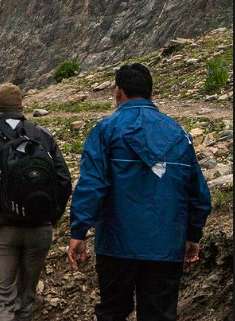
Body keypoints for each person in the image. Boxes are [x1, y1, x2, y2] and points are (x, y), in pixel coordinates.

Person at [68, 63, 211, 321]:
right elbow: (198, 192)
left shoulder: (106, 130)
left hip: (116, 245)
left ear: (118, 91)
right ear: (150, 93)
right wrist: (193, 234)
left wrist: (79, 231)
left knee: (112, 312)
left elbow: (92, 184)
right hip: (165, 246)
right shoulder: (178, 134)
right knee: (159, 315)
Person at [0, 83, 72, 321]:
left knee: (3, 300)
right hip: (39, 229)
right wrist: (51, 217)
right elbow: (64, 180)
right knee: (26, 298)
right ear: (20, 107)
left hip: (1, 229)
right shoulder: (41, 135)